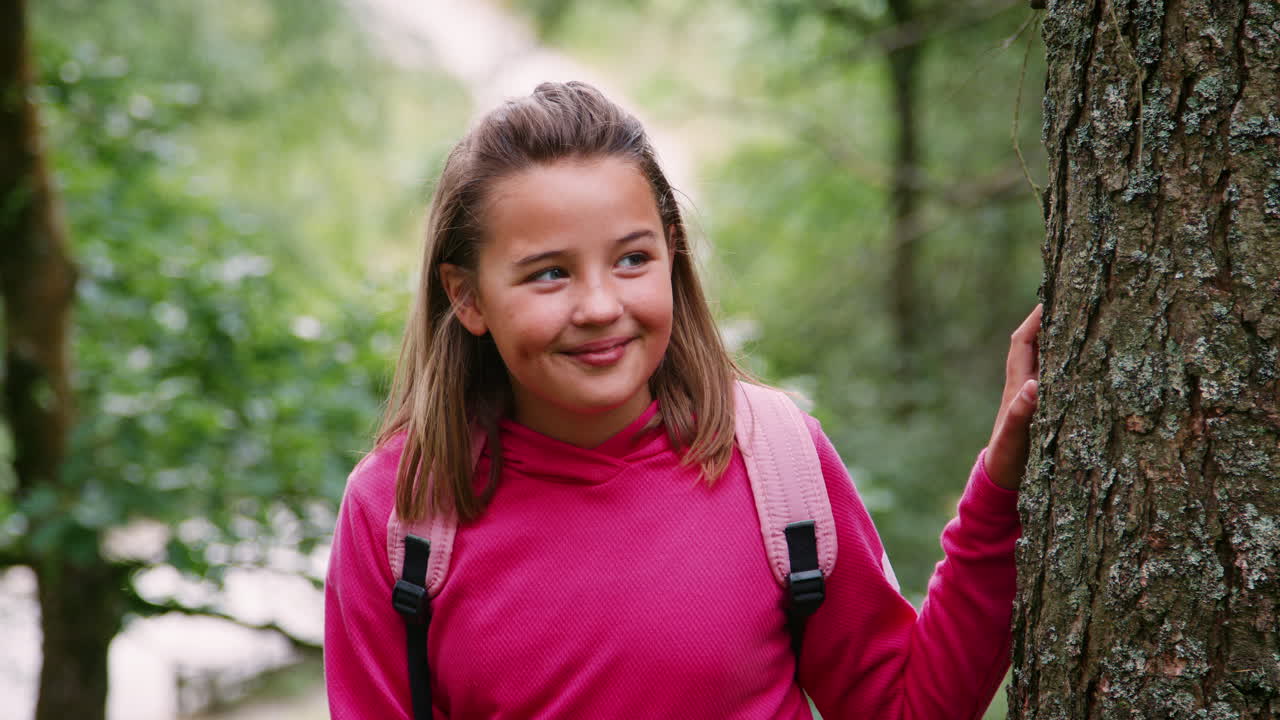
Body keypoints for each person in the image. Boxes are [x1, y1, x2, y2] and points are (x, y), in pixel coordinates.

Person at [324, 80, 1041, 719]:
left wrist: (1003, 489)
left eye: (632, 258)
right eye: (549, 274)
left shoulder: (774, 461)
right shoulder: (401, 512)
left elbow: (906, 708)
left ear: (673, 255)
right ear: (467, 296)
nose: (601, 305)